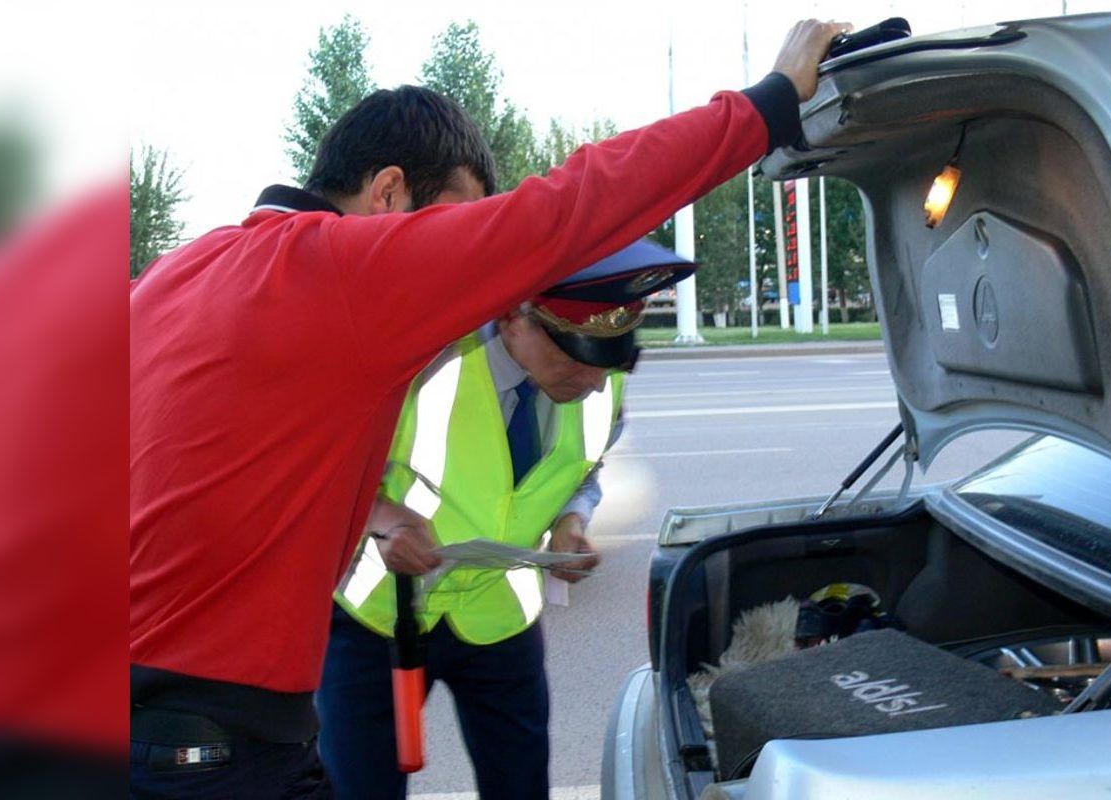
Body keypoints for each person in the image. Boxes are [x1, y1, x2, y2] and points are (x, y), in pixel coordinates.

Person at [129, 18, 850, 798]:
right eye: (455, 220)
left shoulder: (180, 271)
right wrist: (769, 104)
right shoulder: (346, 274)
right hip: (212, 737)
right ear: (389, 192)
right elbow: (569, 207)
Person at [317, 241, 693, 799]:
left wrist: (571, 519)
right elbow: (324, 465)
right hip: (378, 616)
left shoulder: (601, 379)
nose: (591, 382)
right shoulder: (419, 361)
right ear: (514, 315)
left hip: (500, 620)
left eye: (608, 360)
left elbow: (588, 465)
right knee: (359, 789)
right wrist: (384, 518)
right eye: (573, 357)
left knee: (519, 786)